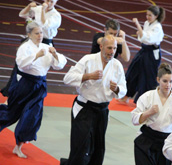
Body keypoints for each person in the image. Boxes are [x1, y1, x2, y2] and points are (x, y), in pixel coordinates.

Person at [0, 22, 67, 158]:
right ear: (29, 34)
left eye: (41, 33)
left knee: (32, 116)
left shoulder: (47, 47)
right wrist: (36, 56)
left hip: (39, 86)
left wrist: (55, 55)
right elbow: (21, 64)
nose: (40, 35)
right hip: (23, 85)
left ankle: (19, 146)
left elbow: (59, 65)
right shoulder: (25, 47)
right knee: (12, 113)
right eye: (36, 33)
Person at [60, 35, 127, 165]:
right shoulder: (88, 60)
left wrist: (117, 89)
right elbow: (67, 78)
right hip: (84, 108)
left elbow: (124, 88)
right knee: (81, 146)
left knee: (98, 148)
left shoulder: (117, 65)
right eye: (109, 48)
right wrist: (87, 76)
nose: (112, 51)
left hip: (102, 110)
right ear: (101, 46)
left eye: (114, 48)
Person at [131, 63, 172, 165]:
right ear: (158, 80)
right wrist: (149, 112)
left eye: (171, 81)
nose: (168, 85)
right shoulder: (147, 96)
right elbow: (134, 120)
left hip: (167, 142)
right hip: (147, 139)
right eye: (165, 81)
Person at [120, 5, 165, 103]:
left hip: (152, 55)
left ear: (156, 16)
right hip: (144, 51)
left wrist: (137, 24)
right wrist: (140, 32)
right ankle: (127, 95)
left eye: (150, 15)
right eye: (147, 14)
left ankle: (145, 101)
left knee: (147, 77)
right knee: (133, 71)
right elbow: (143, 37)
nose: (147, 17)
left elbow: (146, 38)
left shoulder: (157, 27)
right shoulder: (146, 23)